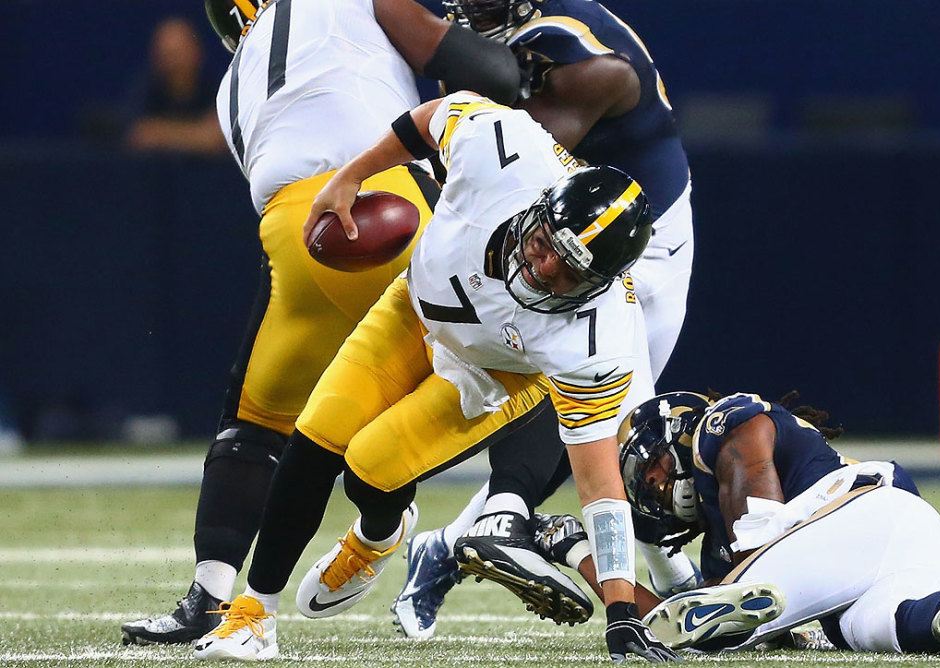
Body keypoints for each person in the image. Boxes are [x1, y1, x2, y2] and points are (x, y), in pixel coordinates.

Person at [192, 91, 678, 663]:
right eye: (546, 244)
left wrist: (621, 616)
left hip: (496, 376)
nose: (541, 267)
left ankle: (379, 533)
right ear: (541, 208)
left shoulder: (597, 337)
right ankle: (253, 616)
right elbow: (431, 117)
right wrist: (352, 175)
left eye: (567, 272)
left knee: (370, 471)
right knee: (318, 431)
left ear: (597, 286)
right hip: (413, 311)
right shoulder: (505, 153)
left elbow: (600, 490)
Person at [119, 0, 522, 646]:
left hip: (299, 237)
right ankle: (460, 517)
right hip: (391, 207)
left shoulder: (229, 91)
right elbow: (488, 76)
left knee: (251, 423)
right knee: (515, 368)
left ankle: (209, 598)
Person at [392, 0, 699, 639]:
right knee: (608, 423)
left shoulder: (584, 63)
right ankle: (491, 528)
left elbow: (518, 159)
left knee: (621, 422)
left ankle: (475, 531)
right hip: (553, 247)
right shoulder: (513, 46)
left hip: (627, 248)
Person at [533, 390, 940, 654]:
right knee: (875, 627)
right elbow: (660, 621)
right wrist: (582, 553)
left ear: (675, 435)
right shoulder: (718, 543)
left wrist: (744, 585)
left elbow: (764, 520)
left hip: (851, 514)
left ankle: (741, 607)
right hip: (899, 544)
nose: (654, 491)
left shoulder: (723, 426)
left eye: (651, 473)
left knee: (722, 620)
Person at [125, 17, 225, 154]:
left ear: (196, 52)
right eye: (167, 55)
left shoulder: (219, 90)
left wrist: (164, 133)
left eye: (178, 54)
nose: (174, 63)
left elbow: (219, 137)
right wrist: (200, 135)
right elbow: (142, 135)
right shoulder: (146, 93)